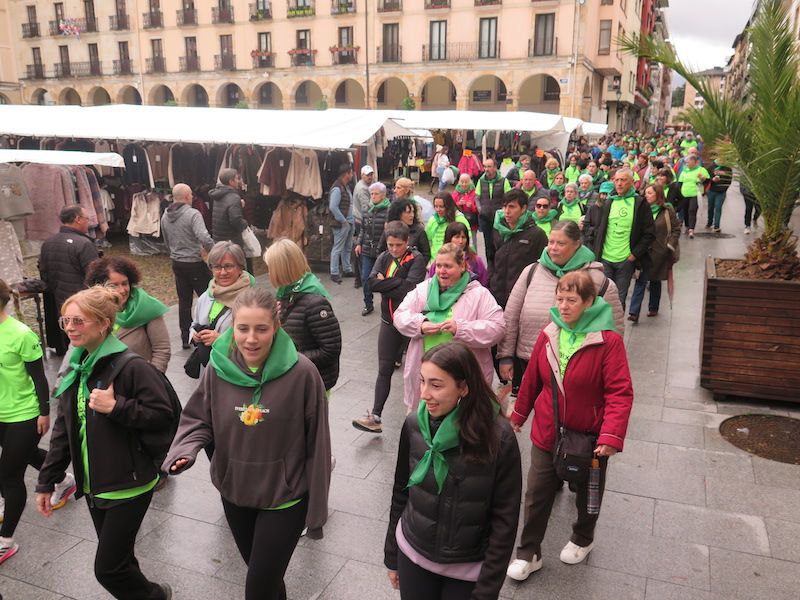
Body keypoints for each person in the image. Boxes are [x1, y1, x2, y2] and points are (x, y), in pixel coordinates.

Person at [164, 287, 331, 600]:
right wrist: (186, 450)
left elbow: (319, 445)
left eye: (261, 329)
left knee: (257, 588)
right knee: (266, 581)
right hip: (235, 493)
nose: (251, 338)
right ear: (233, 328)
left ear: (276, 327)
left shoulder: (303, 375)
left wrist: (316, 513)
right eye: (243, 329)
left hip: (285, 498)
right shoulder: (217, 368)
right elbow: (199, 417)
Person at [36, 286, 174, 599]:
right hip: (95, 482)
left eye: (78, 321)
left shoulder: (132, 367)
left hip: (130, 483)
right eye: (65, 321)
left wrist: (117, 407)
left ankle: (156, 596)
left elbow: (162, 414)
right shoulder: (78, 366)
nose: (70, 328)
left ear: (103, 324)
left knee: (108, 569)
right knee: (121, 560)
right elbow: (63, 430)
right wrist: (46, 481)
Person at [506, 270, 633, 581]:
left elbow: (620, 392)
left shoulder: (608, 341)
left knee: (587, 492)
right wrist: (518, 416)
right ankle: (529, 552)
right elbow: (532, 379)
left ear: (589, 302)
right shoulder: (549, 333)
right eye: (560, 298)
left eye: (571, 300)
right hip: (548, 431)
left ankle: (583, 537)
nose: (563, 305)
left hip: (590, 437)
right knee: (536, 492)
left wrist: (611, 436)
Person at [384, 341, 521, 600]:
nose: (424, 394)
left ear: (464, 387)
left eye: (436, 385)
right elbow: (401, 491)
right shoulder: (414, 425)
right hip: (413, 554)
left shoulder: (498, 438)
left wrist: (488, 588)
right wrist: (392, 554)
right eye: (422, 381)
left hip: (466, 569)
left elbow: (505, 518)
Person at [497, 221, 624, 396]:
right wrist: (505, 356)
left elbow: (614, 330)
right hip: (529, 360)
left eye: (561, 243)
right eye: (551, 242)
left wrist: (606, 369)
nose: (553, 248)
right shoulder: (531, 272)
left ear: (577, 244)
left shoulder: (599, 282)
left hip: (576, 367)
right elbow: (511, 316)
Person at [393, 243, 505, 415]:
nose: (442, 271)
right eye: (438, 265)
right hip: (426, 376)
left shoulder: (479, 294)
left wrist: (461, 328)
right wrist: (420, 324)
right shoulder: (424, 290)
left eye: (448, 266)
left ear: (462, 266)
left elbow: (497, 328)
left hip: (462, 378)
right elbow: (400, 315)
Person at [0, 279, 60, 564]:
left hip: (25, 413)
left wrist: (44, 412)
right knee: (23, 455)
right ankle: (63, 477)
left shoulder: (21, 335)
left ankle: (5, 540)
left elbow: (39, 377)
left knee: (9, 475)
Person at [353, 222, 427, 433]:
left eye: (398, 245)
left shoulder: (416, 259)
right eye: (390, 244)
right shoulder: (384, 257)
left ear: (407, 242)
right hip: (388, 322)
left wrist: (385, 283)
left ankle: (420, 416)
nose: (394, 249)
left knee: (416, 373)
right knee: (384, 370)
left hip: (411, 325)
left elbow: (409, 289)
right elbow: (371, 283)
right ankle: (376, 416)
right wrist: (393, 283)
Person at [263, 238, 342, 392]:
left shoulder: (315, 304)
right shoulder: (285, 294)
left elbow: (330, 350)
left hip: (312, 382)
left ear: (282, 270)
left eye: (270, 268)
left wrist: (292, 358)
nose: (268, 274)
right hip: (294, 378)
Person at [85, 256, 171, 372]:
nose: (122, 290)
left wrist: (150, 380)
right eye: (113, 285)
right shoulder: (90, 309)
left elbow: (162, 350)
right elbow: (76, 349)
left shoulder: (147, 308)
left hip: (137, 382)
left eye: (124, 283)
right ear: (99, 287)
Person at [588, 168, 655, 310]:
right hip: (606, 258)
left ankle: (616, 331)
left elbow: (649, 233)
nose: (619, 183)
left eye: (623, 180)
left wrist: (634, 254)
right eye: (616, 180)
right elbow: (600, 229)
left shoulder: (640, 204)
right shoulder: (609, 202)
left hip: (625, 260)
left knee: (618, 300)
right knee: (603, 298)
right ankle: (602, 331)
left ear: (631, 182)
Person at [39, 205, 100, 355]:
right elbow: (95, 277)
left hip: (58, 302)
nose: (88, 222)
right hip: (83, 305)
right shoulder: (84, 244)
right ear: (77, 219)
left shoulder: (48, 243)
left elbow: (44, 273)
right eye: (87, 218)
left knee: (68, 341)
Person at [191, 241, 255, 381]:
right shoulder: (206, 296)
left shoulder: (252, 299)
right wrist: (194, 335)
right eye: (217, 267)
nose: (223, 272)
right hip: (208, 370)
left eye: (228, 266)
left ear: (240, 267)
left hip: (236, 372)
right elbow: (194, 323)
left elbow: (257, 340)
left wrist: (221, 340)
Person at [161, 183, 215, 349]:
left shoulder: (165, 215)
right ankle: (210, 331)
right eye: (191, 194)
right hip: (194, 263)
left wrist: (175, 253)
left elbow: (166, 240)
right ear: (185, 197)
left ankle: (185, 337)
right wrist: (215, 252)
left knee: (184, 302)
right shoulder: (193, 214)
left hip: (177, 263)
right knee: (209, 298)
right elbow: (204, 237)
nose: (192, 197)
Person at [628, 184, 680, 321]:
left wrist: (669, 246)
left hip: (659, 251)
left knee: (655, 280)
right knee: (640, 280)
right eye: (646, 193)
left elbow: (676, 229)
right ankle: (634, 312)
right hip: (643, 250)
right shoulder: (641, 208)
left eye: (650, 193)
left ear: (658, 194)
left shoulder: (667, 210)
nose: (646, 195)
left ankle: (653, 307)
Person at [489, 189, 548, 309]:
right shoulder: (498, 230)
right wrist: (490, 281)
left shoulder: (537, 234)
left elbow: (543, 268)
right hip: (497, 295)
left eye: (512, 207)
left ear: (523, 208)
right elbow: (491, 258)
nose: (506, 211)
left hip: (522, 298)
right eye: (504, 206)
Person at [355, 181, 392, 316]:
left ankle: (385, 304)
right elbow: (362, 229)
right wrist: (359, 243)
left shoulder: (389, 210)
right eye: (371, 194)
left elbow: (387, 232)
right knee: (365, 277)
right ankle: (368, 303)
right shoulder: (367, 209)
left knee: (384, 279)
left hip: (381, 250)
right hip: (366, 248)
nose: (373, 196)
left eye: (376, 194)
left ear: (383, 195)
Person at [427, 222, 488, 287]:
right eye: (457, 237)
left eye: (463, 237)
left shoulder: (475, 260)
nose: (461, 241)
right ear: (449, 238)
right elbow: (431, 284)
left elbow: (484, 283)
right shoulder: (439, 261)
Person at [476, 159, 512, 264]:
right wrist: (480, 209)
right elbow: (477, 197)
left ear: (495, 167)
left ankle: (500, 265)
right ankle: (490, 267)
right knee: (488, 244)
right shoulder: (481, 181)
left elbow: (509, 196)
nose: (486, 169)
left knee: (499, 242)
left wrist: (504, 210)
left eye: (489, 166)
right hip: (485, 217)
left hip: (499, 218)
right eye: (485, 167)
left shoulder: (503, 181)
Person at [329, 163, 356, 284]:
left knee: (347, 247)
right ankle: (334, 272)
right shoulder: (337, 188)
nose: (352, 175)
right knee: (338, 248)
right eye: (351, 173)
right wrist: (343, 220)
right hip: (342, 223)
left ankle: (347, 269)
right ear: (347, 174)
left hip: (348, 222)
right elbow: (333, 207)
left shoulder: (345, 186)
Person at [425, 192, 472, 260]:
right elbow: (428, 241)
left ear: (448, 206)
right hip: (435, 260)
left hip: (456, 259)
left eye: (441, 206)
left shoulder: (459, 219)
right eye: (436, 206)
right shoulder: (432, 220)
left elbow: (469, 241)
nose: (438, 210)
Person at [385, 198, 432, 264]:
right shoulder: (389, 228)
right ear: (399, 213)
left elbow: (426, 254)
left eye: (413, 212)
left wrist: (416, 267)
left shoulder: (419, 231)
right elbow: (381, 250)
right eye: (408, 212)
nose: (412, 215)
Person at [210, 168, 248, 249]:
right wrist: (245, 224)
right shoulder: (233, 197)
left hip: (218, 238)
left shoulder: (218, 194)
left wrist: (238, 206)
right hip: (231, 241)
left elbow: (224, 212)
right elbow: (235, 220)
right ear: (231, 182)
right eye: (237, 179)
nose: (239, 181)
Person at [352, 165, 375, 289]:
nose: (370, 177)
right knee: (361, 249)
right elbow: (366, 208)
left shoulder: (364, 186)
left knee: (359, 248)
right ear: (362, 175)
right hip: (361, 221)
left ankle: (360, 278)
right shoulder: (362, 189)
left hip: (360, 220)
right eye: (368, 175)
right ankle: (360, 278)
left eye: (371, 174)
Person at [676, 154, 709, 238]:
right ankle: (687, 226)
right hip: (684, 194)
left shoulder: (701, 170)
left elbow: (707, 181)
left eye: (688, 162)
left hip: (695, 193)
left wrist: (703, 179)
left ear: (694, 162)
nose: (686, 164)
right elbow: (680, 183)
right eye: (686, 162)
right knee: (685, 211)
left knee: (692, 210)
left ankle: (691, 229)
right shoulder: (684, 171)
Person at [705, 158, 733, 233]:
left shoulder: (728, 168)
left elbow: (729, 180)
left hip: (721, 192)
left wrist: (724, 189)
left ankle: (717, 226)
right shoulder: (711, 167)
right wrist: (712, 179)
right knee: (710, 207)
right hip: (711, 190)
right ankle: (709, 222)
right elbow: (706, 179)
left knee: (718, 207)